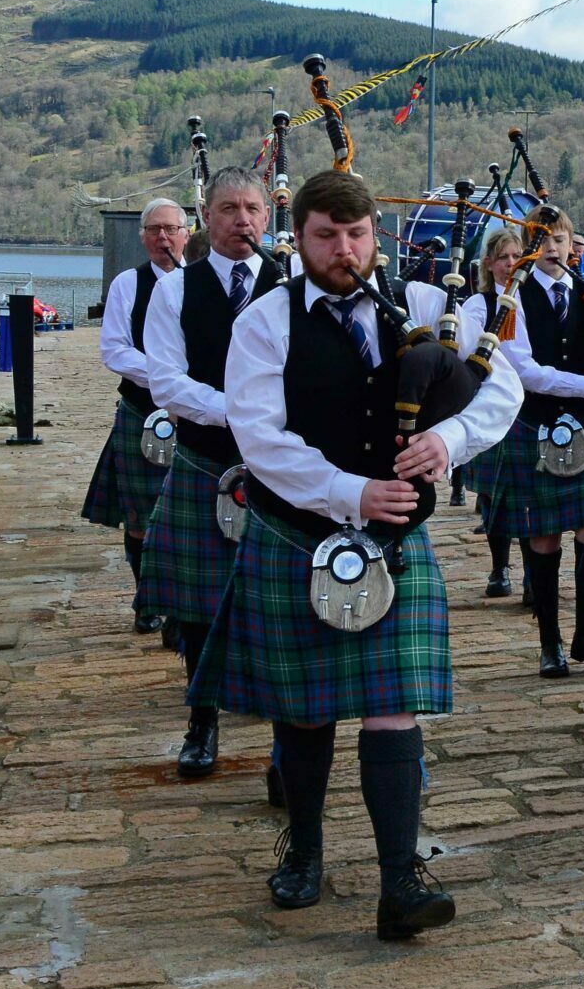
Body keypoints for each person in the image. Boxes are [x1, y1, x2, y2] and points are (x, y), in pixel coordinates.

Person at [192, 171, 522, 940]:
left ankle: (400, 877)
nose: (345, 250)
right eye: (326, 236)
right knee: (304, 709)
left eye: (358, 234)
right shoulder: (266, 321)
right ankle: (304, 848)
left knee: (394, 701)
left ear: (377, 233)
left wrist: (451, 440)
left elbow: (501, 387)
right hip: (298, 530)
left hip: (396, 536)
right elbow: (260, 437)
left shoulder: (427, 306)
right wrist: (350, 491)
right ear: (299, 238)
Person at [140, 168, 283, 780]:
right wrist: (245, 415)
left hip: (283, 468)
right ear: (207, 215)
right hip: (206, 457)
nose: (241, 220)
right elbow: (167, 382)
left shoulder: (295, 283)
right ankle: (202, 723)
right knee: (198, 605)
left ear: (268, 217)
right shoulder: (175, 290)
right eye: (228, 208)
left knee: (281, 604)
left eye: (252, 208)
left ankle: (288, 743)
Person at [485, 207, 584, 679]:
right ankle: (550, 644)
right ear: (528, 247)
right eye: (543, 240)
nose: (554, 248)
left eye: (560, 239)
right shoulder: (513, 299)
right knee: (542, 538)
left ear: (570, 244)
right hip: (536, 427)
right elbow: (525, 371)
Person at [80, 198, 187, 632]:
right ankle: (147, 601)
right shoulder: (129, 283)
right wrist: (169, 379)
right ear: (143, 237)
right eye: (154, 230)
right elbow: (115, 350)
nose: (163, 237)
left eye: (170, 228)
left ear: (187, 233)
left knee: (193, 515)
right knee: (142, 517)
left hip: (199, 420)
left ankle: (186, 603)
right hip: (145, 412)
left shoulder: (200, 283)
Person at [460, 227, 524, 598]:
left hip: (531, 411)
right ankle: (499, 569)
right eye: (504, 257)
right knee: (493, 495)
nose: (511, 264)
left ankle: (533, 573)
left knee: (527, 496)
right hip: (489, 408)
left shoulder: (532, 301)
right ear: (489, 263)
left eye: (517, 256)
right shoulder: (476, 306)